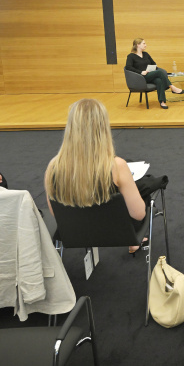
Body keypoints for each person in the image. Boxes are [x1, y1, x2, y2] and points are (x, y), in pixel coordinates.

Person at [44, 98, 148, 254]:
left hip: (75, 232)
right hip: (116, 232)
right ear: (103, 127)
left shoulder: (53, 166)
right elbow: (138, 215)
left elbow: (55, 213)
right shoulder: (116, 166)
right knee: (145, 191)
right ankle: (133, 244)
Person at [125, 38, 184, 110]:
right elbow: (128, 67)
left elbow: (153, 63)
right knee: (160, 72)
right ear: (138, 45)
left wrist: (151, 69)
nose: (145, 45)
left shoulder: (146, 54)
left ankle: (162, 102)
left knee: (159, 80)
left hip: (149, 75)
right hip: (140, 77)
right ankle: (172, 87)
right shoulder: (131, 56)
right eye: (144, 43)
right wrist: (141, 72)